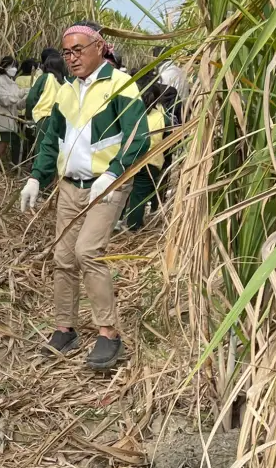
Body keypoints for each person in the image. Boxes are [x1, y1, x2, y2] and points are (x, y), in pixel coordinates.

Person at [19, 21, 149, 371]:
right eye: (67, 52)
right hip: (70, 185)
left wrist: (111, 174)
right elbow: (51, 140)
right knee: (63, 256)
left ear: (100, 47)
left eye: (78, 50)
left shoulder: (120, 86)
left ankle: (109, 333)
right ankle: (65, 328)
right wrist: (36, 178)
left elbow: (139, 138)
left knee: (88, 251)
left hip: (106, 186)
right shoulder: (66, 90)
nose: (72, 58)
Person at [124, 75, 171, 231]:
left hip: (130, 158)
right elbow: (170, 139)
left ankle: (116, 220)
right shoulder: (163, 117)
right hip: (152, 162)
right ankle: (133, 225)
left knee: (123, 190)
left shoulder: (130, 114)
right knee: (139, 194)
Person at [0, 56, 26, 170]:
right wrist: (21, 93)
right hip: (0, 120)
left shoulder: (12, 83)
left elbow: (16, 104)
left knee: (3, 147)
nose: (13, 69)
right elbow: (4, 99)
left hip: (9, 121)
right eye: (11, 66)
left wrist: (26, 100)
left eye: (15, 66)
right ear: (4, 66)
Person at [26, 48, 68, 151]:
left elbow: (31, 98)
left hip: (44, 119)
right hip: (59, 120)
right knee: (53, 150)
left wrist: (28, 116)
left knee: (41, 151)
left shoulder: (45, 78)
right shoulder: (63, 82)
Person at [15, 59, 39, 160]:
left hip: (17, 113)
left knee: (19, 138)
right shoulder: (37, 79)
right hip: (30, 113)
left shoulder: (17, 79)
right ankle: (31, 158)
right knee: (31, 138)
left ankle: (19, 159)